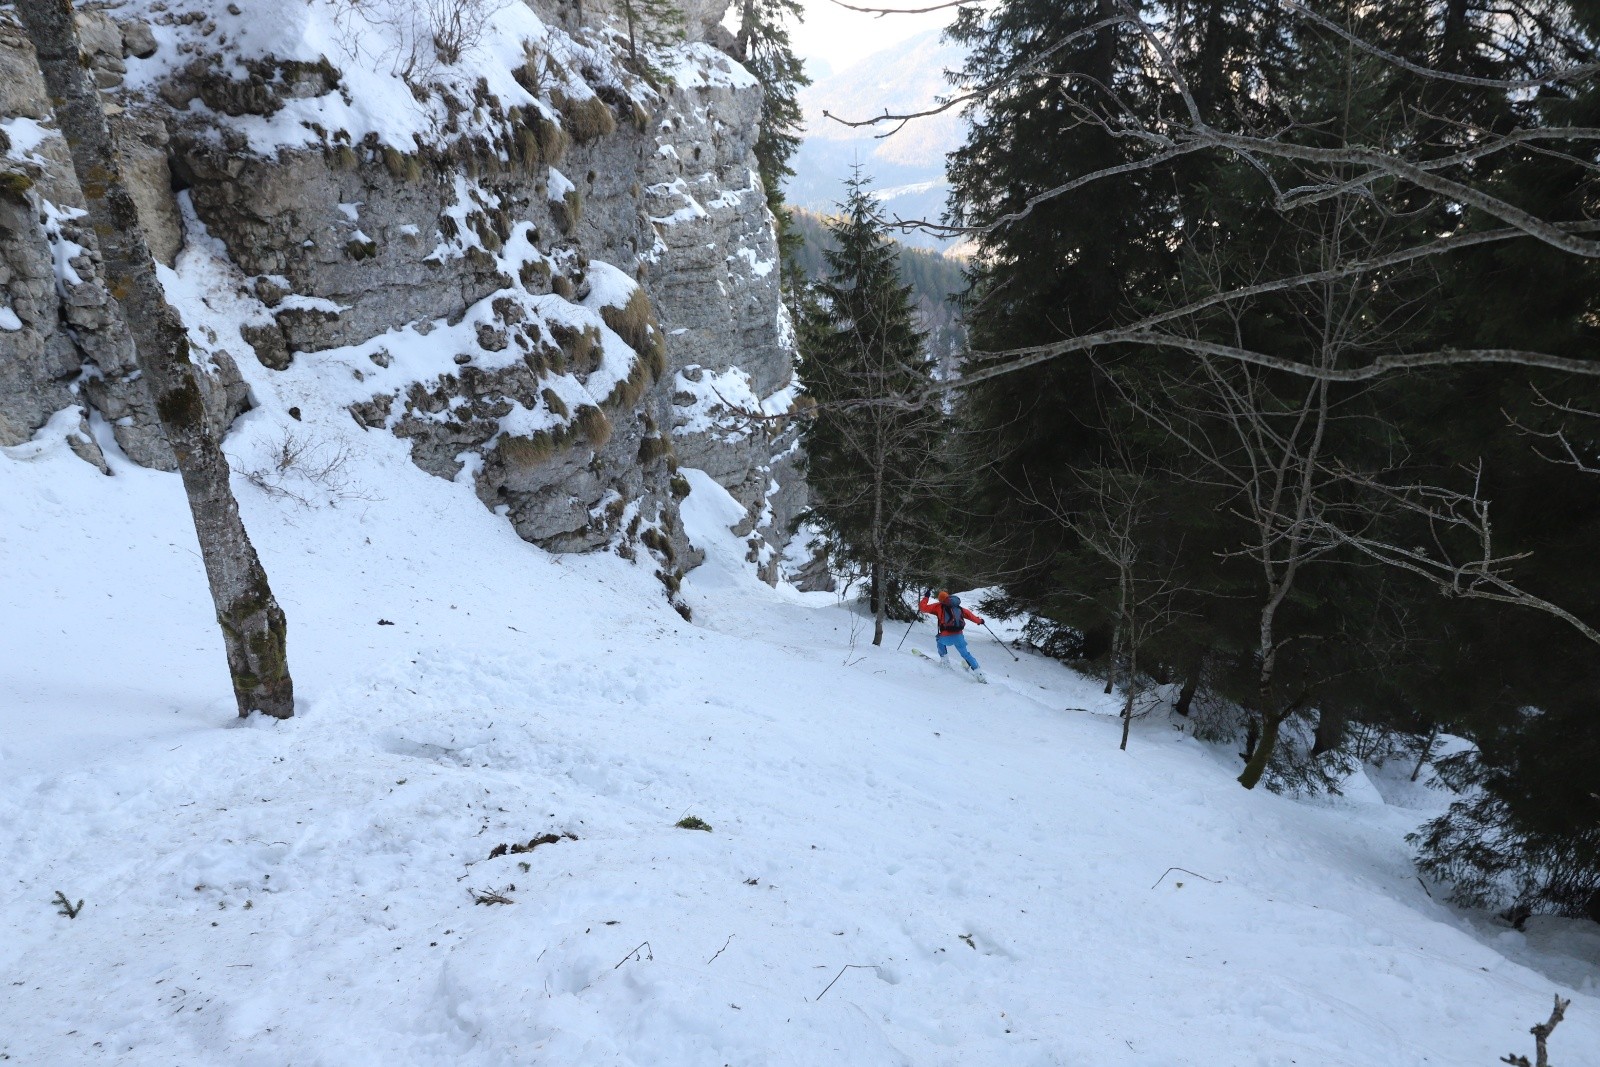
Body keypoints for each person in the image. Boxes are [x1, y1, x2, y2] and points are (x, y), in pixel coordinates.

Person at [918, 590, 986, 681]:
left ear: (940, 600)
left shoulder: (938, 606)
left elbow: (923, 608)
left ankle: (945, 662)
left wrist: (926, 597)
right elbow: (971, 616)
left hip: (945, 637)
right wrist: (980, 621)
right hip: (959, 637)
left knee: (939, 641)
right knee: (966, 654)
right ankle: (979, 673)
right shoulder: (959, 608)